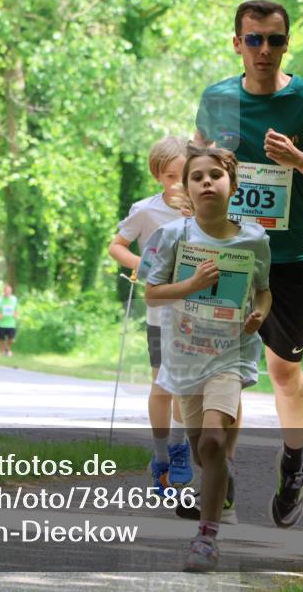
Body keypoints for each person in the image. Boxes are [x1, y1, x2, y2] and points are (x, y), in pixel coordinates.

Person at [194, 0, 303, 527]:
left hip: (288, 259)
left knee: (284, 372)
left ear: (287, 43)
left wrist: (299, 159)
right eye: (254, 39)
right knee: (225, 370)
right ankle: (221, 475)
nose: (264, 49)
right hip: (227, 254)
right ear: (237, 43)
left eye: (275, 40)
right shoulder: (218, 98)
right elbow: (199, 169)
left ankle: (293, 465)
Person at [140, 145, 271, 572]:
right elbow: (152, 293)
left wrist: (259, 314)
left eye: (215, 175)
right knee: (201, 452)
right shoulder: (173, 236)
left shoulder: (254, 239)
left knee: (214, 442)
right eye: (196, 177)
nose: (206, 182)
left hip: (230, 355)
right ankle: (219, 476)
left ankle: (206, 538)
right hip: (185, 356)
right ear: (187, 188)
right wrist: (192, 284)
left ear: (233, 185)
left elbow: (264, 290)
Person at [108, 136, 193, 493]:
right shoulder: (145, 210)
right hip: (160, 312)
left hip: (197, 313)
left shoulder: (207, 209)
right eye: (170, 176)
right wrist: (142, 265)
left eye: (184, 175)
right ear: (157, 175)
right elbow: (117, 246)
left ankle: (179, 448)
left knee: (185, 385)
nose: (178, 184)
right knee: (161, 385)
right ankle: (160, 456)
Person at [0, 285, 19, 357]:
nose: (8, 292)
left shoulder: (14, 299)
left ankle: (7, 349)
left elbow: (16, 309)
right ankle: (2, 352)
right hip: (2, 323)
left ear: (11, 291)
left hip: (11, 323)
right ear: (4, 291)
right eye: (6, 291)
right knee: (1, 339)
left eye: (9, 291)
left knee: (11, 339)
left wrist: (16, 314)